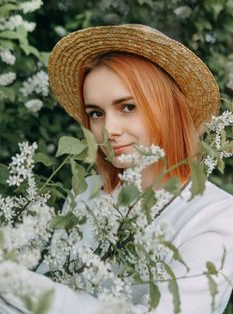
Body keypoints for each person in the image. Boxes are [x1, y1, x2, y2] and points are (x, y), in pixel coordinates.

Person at [4, 25, 233, 314]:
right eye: (96, 114)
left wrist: (14, 281)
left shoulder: (215, 217)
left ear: (166, 107)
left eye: (127, 107)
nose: (108, 130)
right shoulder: (86, 193)